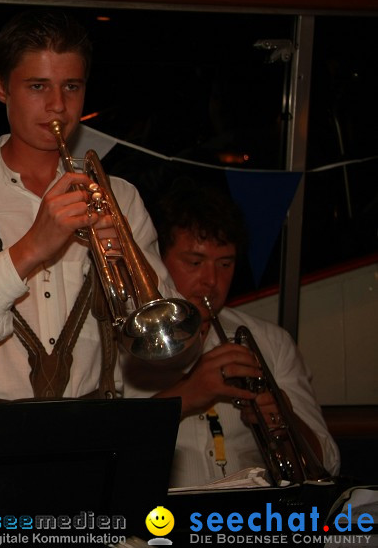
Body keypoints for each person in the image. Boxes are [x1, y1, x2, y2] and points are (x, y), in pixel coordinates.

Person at [0, 9, 181, 402]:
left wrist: (127, 271)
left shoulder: (121, 196)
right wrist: (30, 249)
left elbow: (168, 351)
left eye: (72, 87)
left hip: (94, 434)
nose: (58, 106)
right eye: (38, 87)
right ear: (1, 88)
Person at [130, 181, 340, 488]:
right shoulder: (125, 342)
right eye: (195, 262)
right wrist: (188, 394)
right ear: (157, 261)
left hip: (252, 521)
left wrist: (284, 424)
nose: (212, 281)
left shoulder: (271, 341)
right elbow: (100, 443)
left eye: (225, 264)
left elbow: (327, 463)